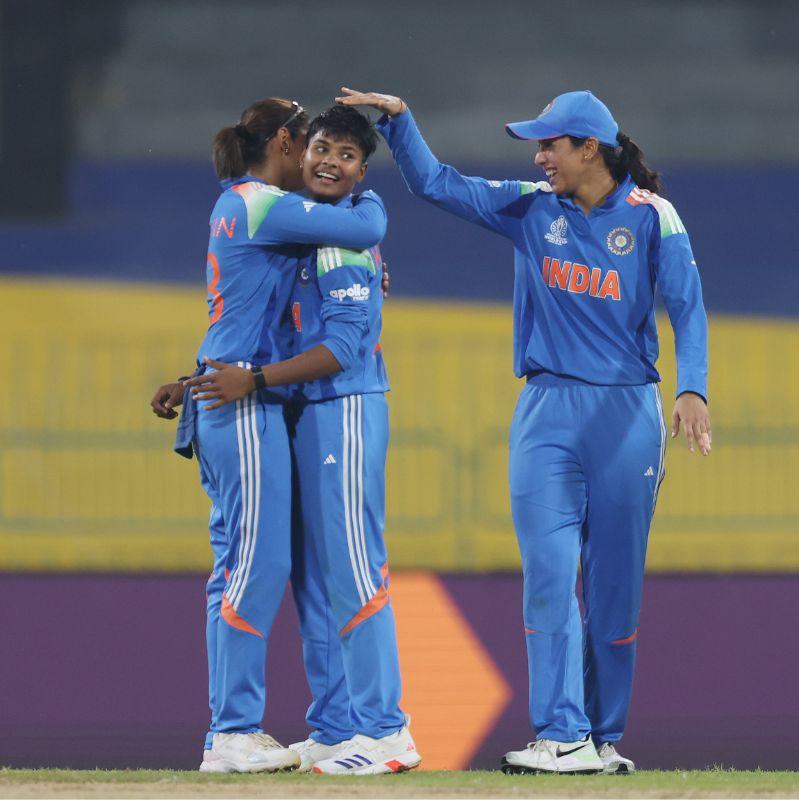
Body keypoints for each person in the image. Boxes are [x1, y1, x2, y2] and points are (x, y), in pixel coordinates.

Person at [337, 86, 711, 775]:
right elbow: (436, 186)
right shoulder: (530, 207)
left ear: (588, 148)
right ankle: (561, 731)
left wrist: (692, 387)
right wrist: (399, 123)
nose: (540, 158)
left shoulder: (654, 216)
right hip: (546, 414)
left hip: (628, 417)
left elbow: (687, 308)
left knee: (614, 590)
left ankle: (602, 739)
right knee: (547, 572)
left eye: (550, 145)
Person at [149, 97, 388, 773]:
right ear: (284, 142)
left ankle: (246, 726)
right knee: (256, 564)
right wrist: (366, 215)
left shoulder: (244, 206)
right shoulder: (261, 201)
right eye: (307, 139)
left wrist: (191, 373)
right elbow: (367, 220)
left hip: (233, 389)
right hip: (243, 404)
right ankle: (233, 731)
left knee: (242, 560)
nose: (317, 152)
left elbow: (248, 310)